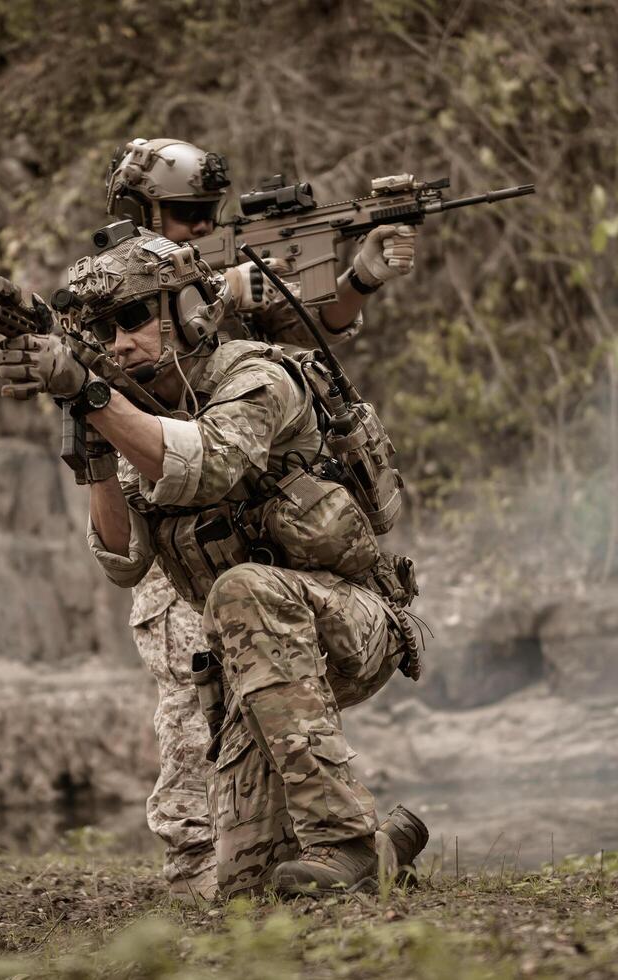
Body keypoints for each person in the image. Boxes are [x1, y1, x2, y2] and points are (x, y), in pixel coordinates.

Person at [0, 231, 425, 897]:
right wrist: (91, 429)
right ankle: (383, 851)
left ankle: (344, 842)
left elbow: (205, 462)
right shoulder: (135, 418)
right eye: (102, 330)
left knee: (241, 587)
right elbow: (122, 560)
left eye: (134, 318)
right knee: (247, 891)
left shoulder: (256, 376)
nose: (120, 340)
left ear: (189, 309)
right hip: (258, 668)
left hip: (352, 624)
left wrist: (92, 392)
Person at [96, 137, 424, 899]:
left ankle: (335, 841)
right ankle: (314, 849)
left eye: (203, 214)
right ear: (137, 210)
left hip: (262, 519)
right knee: (192, 711)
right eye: (180, 215)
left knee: (252, 640)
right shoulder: (124, 283)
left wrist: (358, 277)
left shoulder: (239, 334)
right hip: (178, 515)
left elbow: (317, 326)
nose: (194, 228)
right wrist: (212, 292)